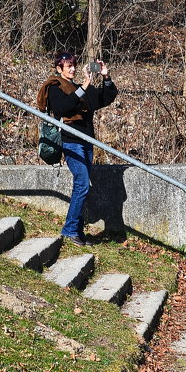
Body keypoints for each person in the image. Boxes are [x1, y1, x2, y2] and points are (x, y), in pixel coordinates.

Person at [36, 52, 118, 246]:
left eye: (73, 65)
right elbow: (63, 107)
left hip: (87, 141)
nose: (72, 69)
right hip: (70, 141)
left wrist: (105, 77)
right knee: (82, 183)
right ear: (59, 69)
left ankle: (78, 232)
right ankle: (70, 229)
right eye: (68, 66)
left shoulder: (78, 87)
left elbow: (104, 98)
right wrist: (84, 86)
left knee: (83, 185)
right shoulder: (55, 86)